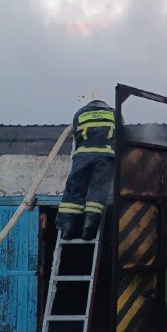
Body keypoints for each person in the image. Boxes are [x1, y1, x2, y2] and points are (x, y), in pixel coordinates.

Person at [55, 91, 115, 240]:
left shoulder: (80, 113)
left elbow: (77, 136)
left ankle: (68, 228)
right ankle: (89, 227)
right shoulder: (114, 113)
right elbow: (120, 136)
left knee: (74, 190)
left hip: (82, 157)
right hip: (105, 157)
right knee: (97, 191)